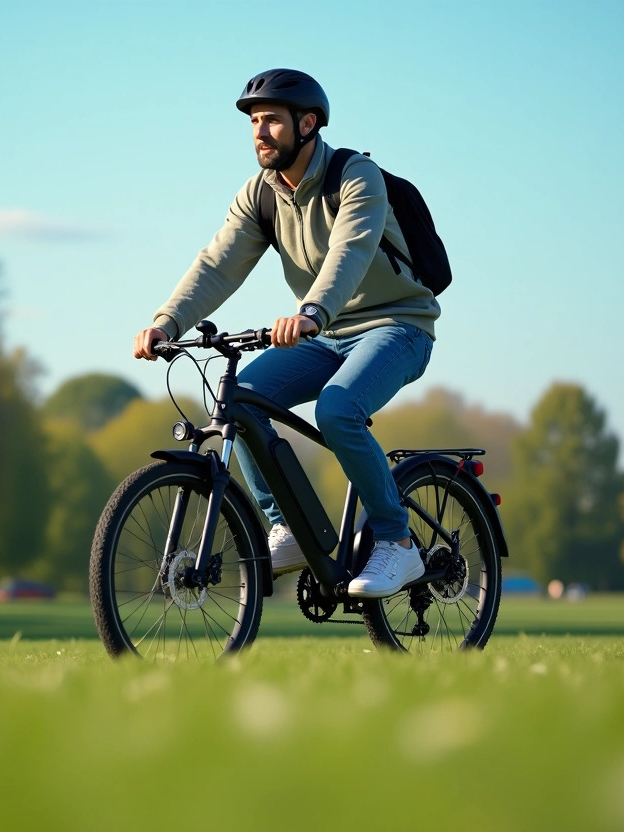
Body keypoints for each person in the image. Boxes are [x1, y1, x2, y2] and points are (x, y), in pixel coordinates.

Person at [131, 68, 440, 598]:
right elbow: (217, 264)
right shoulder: (261, 194)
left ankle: (398, 543)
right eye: (254, 122)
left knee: (339, 410)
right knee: (242, 402)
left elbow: (351, 250)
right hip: (326, 333)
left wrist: (314, 309)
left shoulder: (356, 176)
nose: (259, 131)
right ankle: (289, 528)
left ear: (308, 124)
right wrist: (167, 320)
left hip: (398, 326)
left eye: (272, 120)